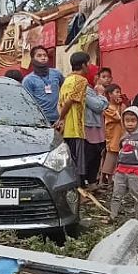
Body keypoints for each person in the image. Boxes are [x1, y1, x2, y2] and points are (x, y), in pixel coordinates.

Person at [109, 106, 138, 227]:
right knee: (116, 194)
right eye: (127, 121)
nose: (130, 124)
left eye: (133, 120)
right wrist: (115, 170)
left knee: (136, 195)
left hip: (135, 171)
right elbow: (120, 153)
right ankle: (113, 216)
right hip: (121, 170)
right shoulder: (123, 137)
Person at [56, 52, 91, 185]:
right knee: (77, 164)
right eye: (88, 63)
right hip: (75, 128)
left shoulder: (67, 80)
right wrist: (62, 117)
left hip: (66, 128)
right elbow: (70, 101)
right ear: (83, 65)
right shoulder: (81, 80)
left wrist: (61, 119)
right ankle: (78, 191)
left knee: (69, 161)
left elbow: (60, 102)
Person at [22, 46, 64, 124]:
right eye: (39, 56)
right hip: (39, 120)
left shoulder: (56, 73)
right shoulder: (28, 80)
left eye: (45, 55)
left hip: (58, 119)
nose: (43, 58)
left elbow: (65, 90)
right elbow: (27, 102)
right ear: (33, 59)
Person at [83, 67, 108, 187]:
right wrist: (101, 95)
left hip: (97, 127)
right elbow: (98, 106)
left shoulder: (94, 90)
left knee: (96, 155)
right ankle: (86, 182)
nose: (97, 79)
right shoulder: (86, 90)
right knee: (89, 154)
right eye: (96, 76)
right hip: (89, 127)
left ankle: (92, 182)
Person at [101, 83, 125, 185]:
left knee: (117, 158)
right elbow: (118, 117)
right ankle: (105, 179)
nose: (119, 94)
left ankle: (112, 179)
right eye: (117, 92)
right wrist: (119, 106)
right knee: (111, 157)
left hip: (120, 134)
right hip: (112, 136)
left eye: (120, 92)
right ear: (110, 94)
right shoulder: (108, 107)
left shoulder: (120, 106)